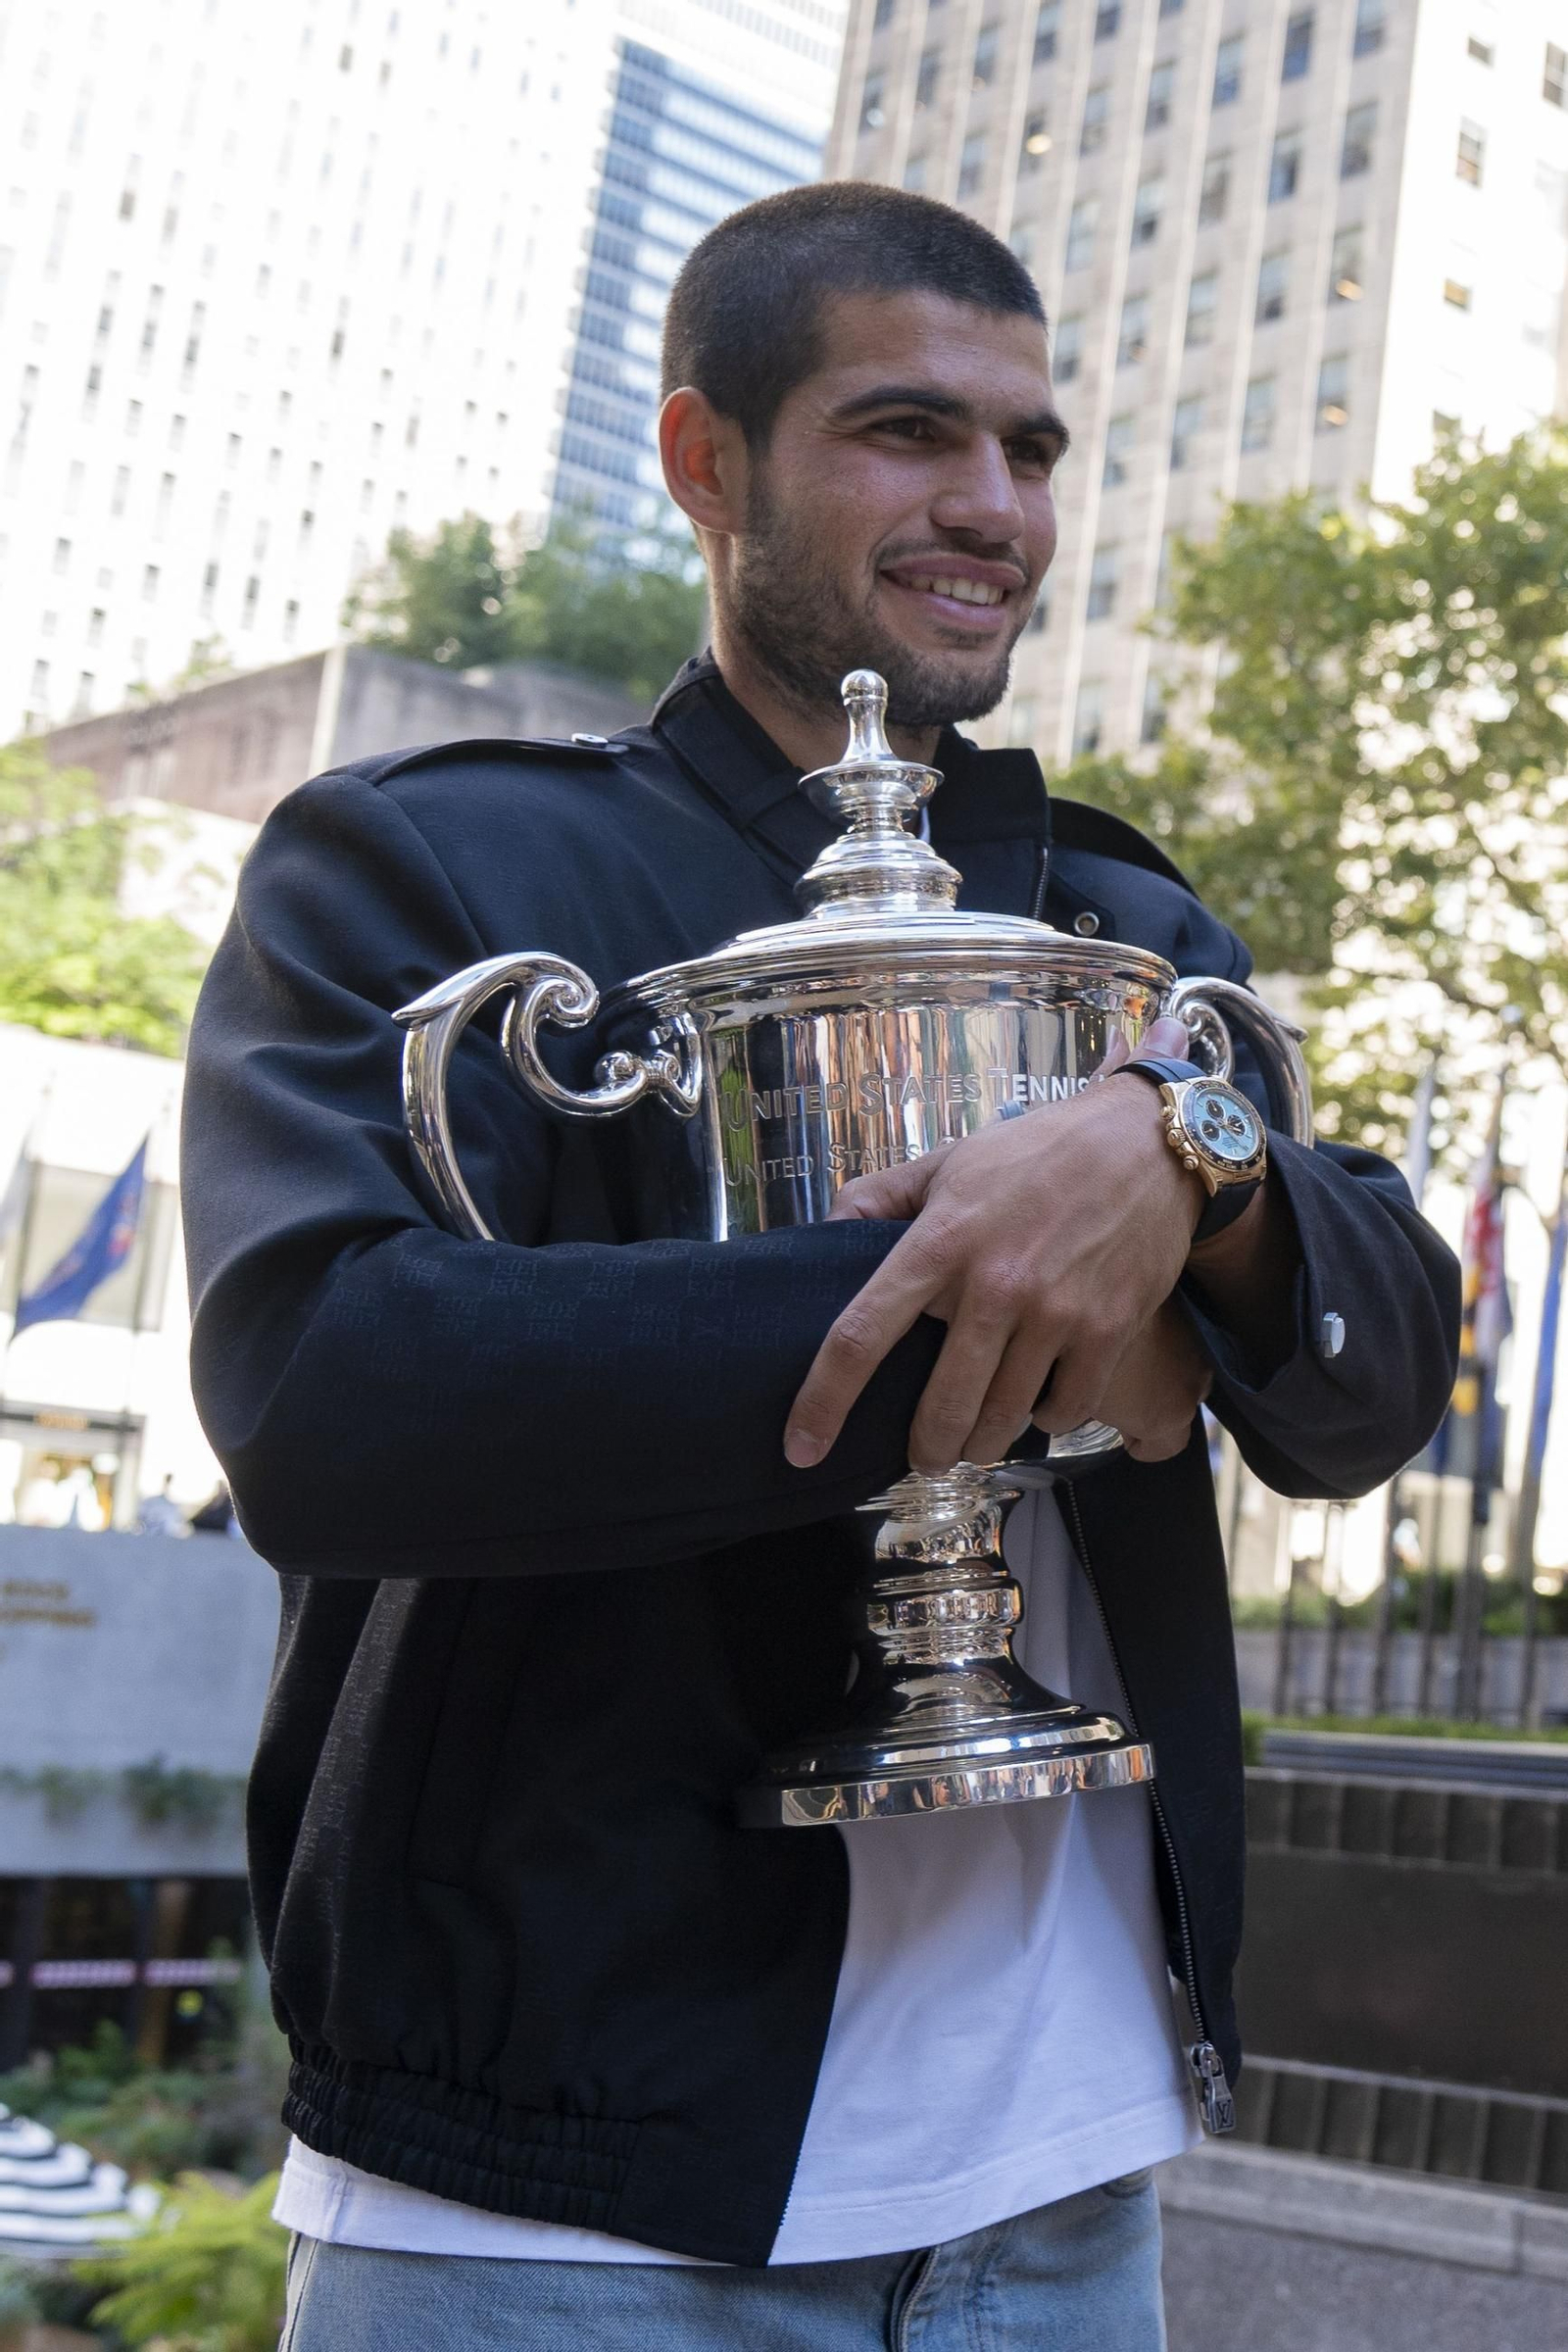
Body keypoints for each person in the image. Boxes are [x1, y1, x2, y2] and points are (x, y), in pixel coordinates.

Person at [181, 185, 1459, 2349]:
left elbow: (1372, 1369)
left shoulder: (1128, 931)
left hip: (1070, 2203)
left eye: (1028, 449)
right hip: (552, 2233)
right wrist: (1080, 1313)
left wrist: (1192, 1158)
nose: (988, 507)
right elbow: (330, 1396)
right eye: (902, 431)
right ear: (705, 461)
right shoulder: (419, 853)